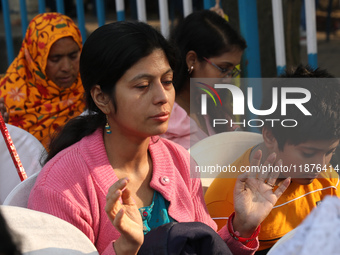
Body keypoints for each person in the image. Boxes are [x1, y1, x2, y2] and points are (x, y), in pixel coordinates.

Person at [27, 21, 290, 255]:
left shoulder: (177, 160)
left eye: (167, 81)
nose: (162, 97)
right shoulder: (61, 186)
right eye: (142, 86)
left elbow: (204, 247)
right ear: (101, 97)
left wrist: (242, 227)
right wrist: (124, 249)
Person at [205, 65, 340, 254]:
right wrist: (243, 228)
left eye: (330, 152)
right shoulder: (225, 200)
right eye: (308, 154)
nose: (320, 165)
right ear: (270, 136)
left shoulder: (328, 181)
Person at [161, 10, 246, 149]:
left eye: (233, 71)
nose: (228, 80)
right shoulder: (162, 117)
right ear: (192, 60)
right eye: (223, 69)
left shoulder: (214, 110)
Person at [0, 13, 85, 148]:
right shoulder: (6, 98)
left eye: (73, 56)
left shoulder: (92, 90)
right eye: (55, 59)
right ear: (35, 59)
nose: (66, 67)